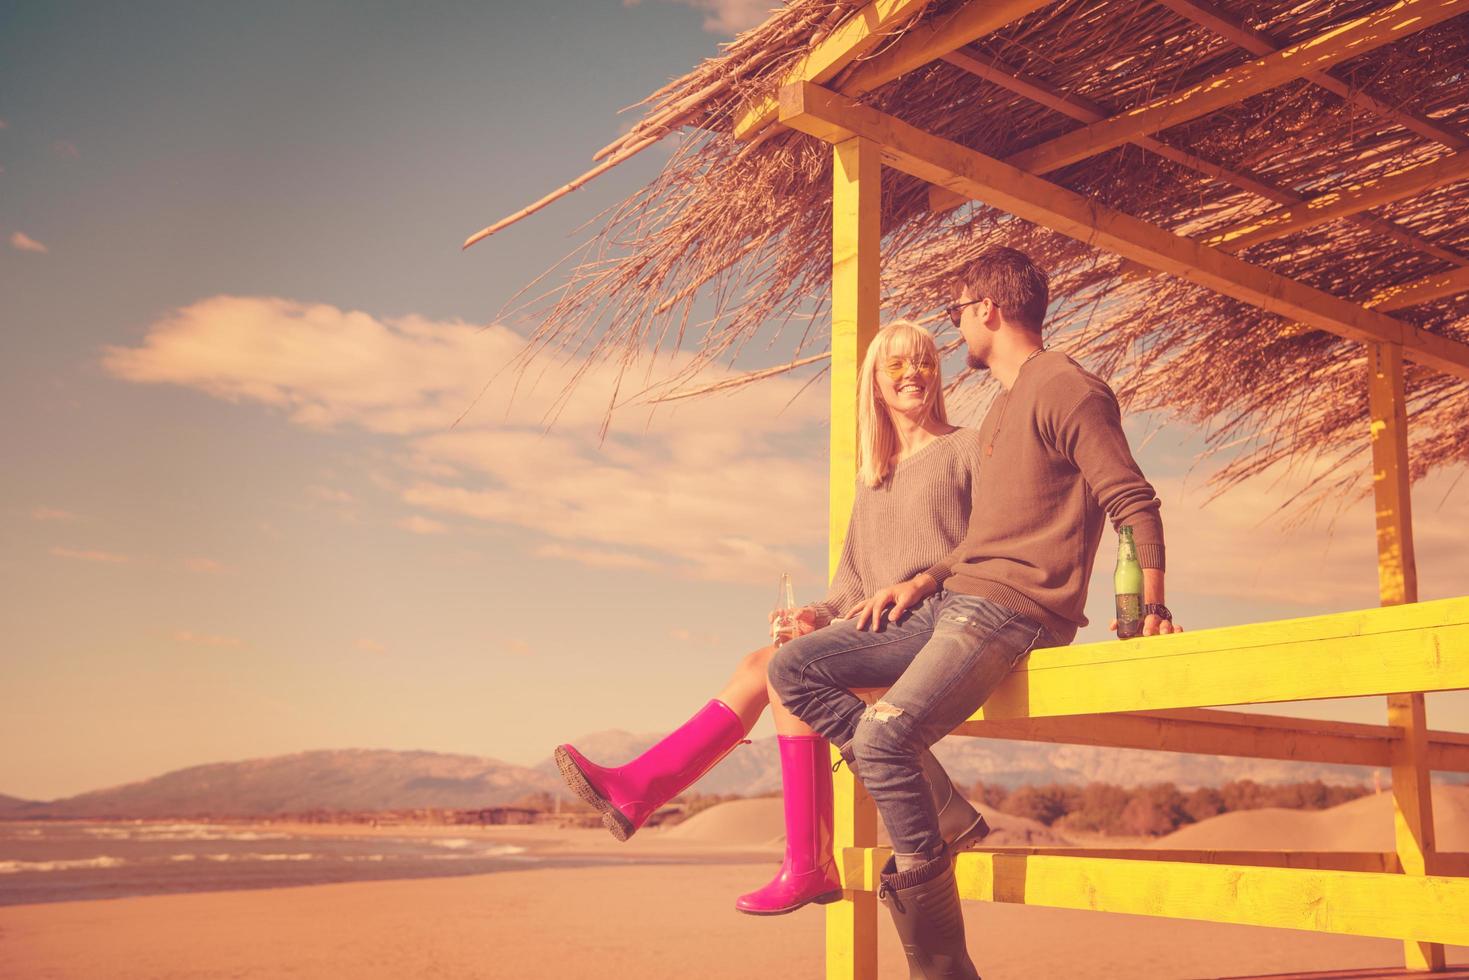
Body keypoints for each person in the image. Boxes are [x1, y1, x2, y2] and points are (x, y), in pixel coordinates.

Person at [769, 246, 1178, 979]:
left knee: (888, 737)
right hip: (954, 601)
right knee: (794, 667)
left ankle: (941, 963)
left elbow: (1132, 499)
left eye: (958, 312)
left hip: (1011, 612)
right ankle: (946, 817)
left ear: (987, 310)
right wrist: (919, 583)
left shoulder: (1067, 389)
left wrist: (1149, 605)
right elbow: (976, 543)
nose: (955, 328)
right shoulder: (999, 410)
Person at [554, 320, 990, 915]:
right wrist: (816, 614)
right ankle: (651, 796)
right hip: (875, 627)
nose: (913, 373)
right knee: (760, 661)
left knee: (784, 671)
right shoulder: (873, 477)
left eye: (922, 362)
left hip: (938, 623)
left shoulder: (967, 447)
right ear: (876, 385)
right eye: (897, 365)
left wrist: (920, 582)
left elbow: (989, 545)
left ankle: (782, 851)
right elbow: (852, 586)